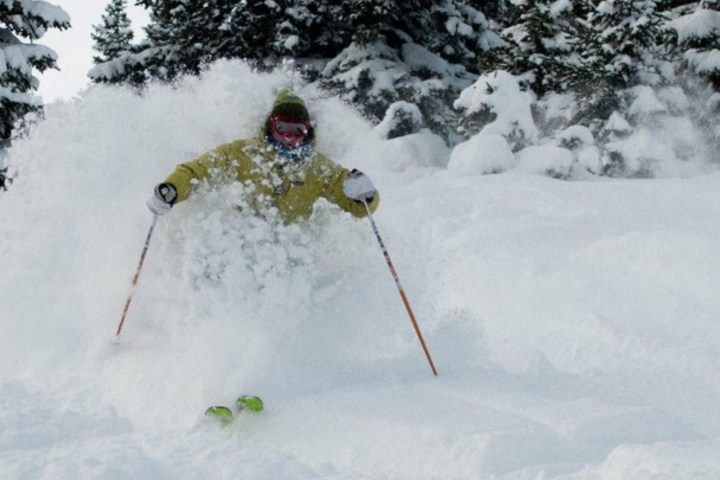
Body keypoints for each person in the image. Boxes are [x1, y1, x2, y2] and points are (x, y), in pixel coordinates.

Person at [147, 89, 379, 223]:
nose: (290, 136)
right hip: (243, 239)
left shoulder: (318, 168)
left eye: (298, 130)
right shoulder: (243, 153)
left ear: (308, 132)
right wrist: (173, 189)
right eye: (283, 127)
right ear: (270, 125)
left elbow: (358, 207)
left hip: (293, 247)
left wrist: (366, 197)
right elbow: (197, 171)